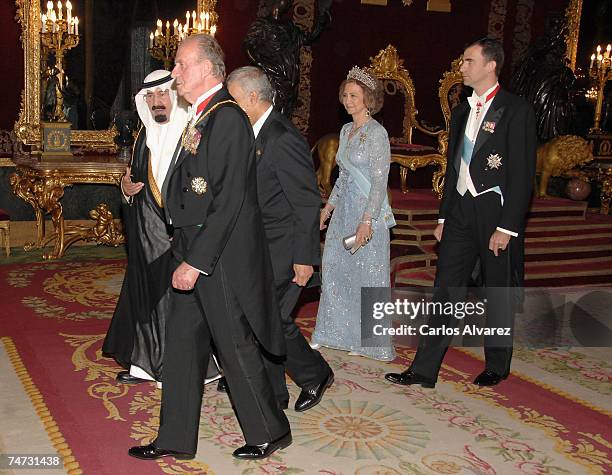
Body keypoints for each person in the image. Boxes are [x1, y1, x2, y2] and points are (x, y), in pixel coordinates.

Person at [128, 34, 291, 461]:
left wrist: (196, 262)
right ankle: (174, 438)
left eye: (181, 65)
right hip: (193, 249)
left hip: (215, 258)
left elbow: (229, 198)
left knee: (233, 344)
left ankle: (270, 430)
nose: (175, 73)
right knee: (182, 347)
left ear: (207, 68)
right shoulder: (202, 115)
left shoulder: (227, 118)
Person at [385, 37, 537, 389]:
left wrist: (508, 227)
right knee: (445, 290)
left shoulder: (516, 110)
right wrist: (443, 217)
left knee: (496, 290)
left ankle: (497, 365)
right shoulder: (462, 110)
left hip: (495, 211)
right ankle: (423, 369)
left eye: (468, 61)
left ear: (490, 65)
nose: (462, 67)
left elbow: (522, 175)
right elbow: (453, 170)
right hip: (460, 212)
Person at [225, 65, 333, 413]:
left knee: (272, 320)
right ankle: (275, 393)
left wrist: (304, 258)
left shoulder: (282, 137)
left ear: (254, 98)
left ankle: (314, 374)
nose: (230, 105)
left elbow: (305, 201)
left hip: (284, 248)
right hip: (259, 245)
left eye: (235, 99)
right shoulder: (252, 131)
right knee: (263, 319)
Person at [103, 70, 189, 386]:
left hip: (177, 237)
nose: (156, 102)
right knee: (146, 299)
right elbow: (133, 182)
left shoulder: (191, 135)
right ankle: (146, 364)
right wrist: (125, 188)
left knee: (175, 303)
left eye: (162, 94)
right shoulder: (143, 136)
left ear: (175, 96)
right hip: (143, 237)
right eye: (150, 97)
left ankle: (176, 366)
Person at [312, 66, 396, 361]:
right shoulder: (347, 130)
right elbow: (344, 177)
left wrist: (367, 221)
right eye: (345, 95)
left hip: (366, 214)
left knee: (367, 276)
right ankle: (333, 333)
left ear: (369, 99)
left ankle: (371, 342)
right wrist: (327, 209)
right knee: (335, 269)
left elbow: (379, 181)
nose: (348, 100)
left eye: (354, 95)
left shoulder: (377, 134)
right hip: (344, 210)